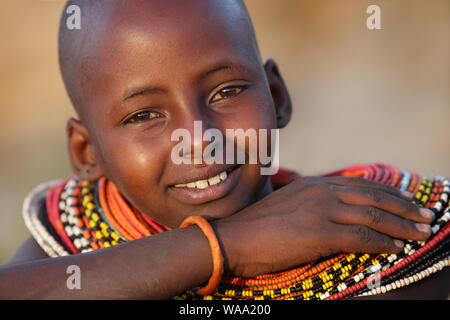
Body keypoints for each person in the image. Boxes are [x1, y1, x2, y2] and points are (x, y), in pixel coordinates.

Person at [0, 0, 448, 300]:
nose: (197, 137)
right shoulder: (76, 243)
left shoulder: (389, 231)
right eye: (142, 116)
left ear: (277, 96)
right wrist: (227, 246)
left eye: (227, 91)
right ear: (86, 151)